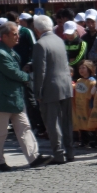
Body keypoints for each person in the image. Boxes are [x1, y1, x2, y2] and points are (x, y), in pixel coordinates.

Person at [0, 21, 52, 171]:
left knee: (25, 128)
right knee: (0, 132)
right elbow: (14, 73)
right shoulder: (0, 54)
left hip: (14, 97)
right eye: (14, 34)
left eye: (17, 33)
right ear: (4, 36)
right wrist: (28, 76)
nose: (18, 37)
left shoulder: (8, 51)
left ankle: (33, 157)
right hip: (3, 99)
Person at [32, 15, 75, 165]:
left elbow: (40, 71)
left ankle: (59, 154)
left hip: (50, 87)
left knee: (52, 122)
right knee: (66, 121)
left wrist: (37, 91)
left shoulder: (40, 44)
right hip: (65, 85)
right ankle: (70, 151)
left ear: (37, 30)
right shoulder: (60, 40)